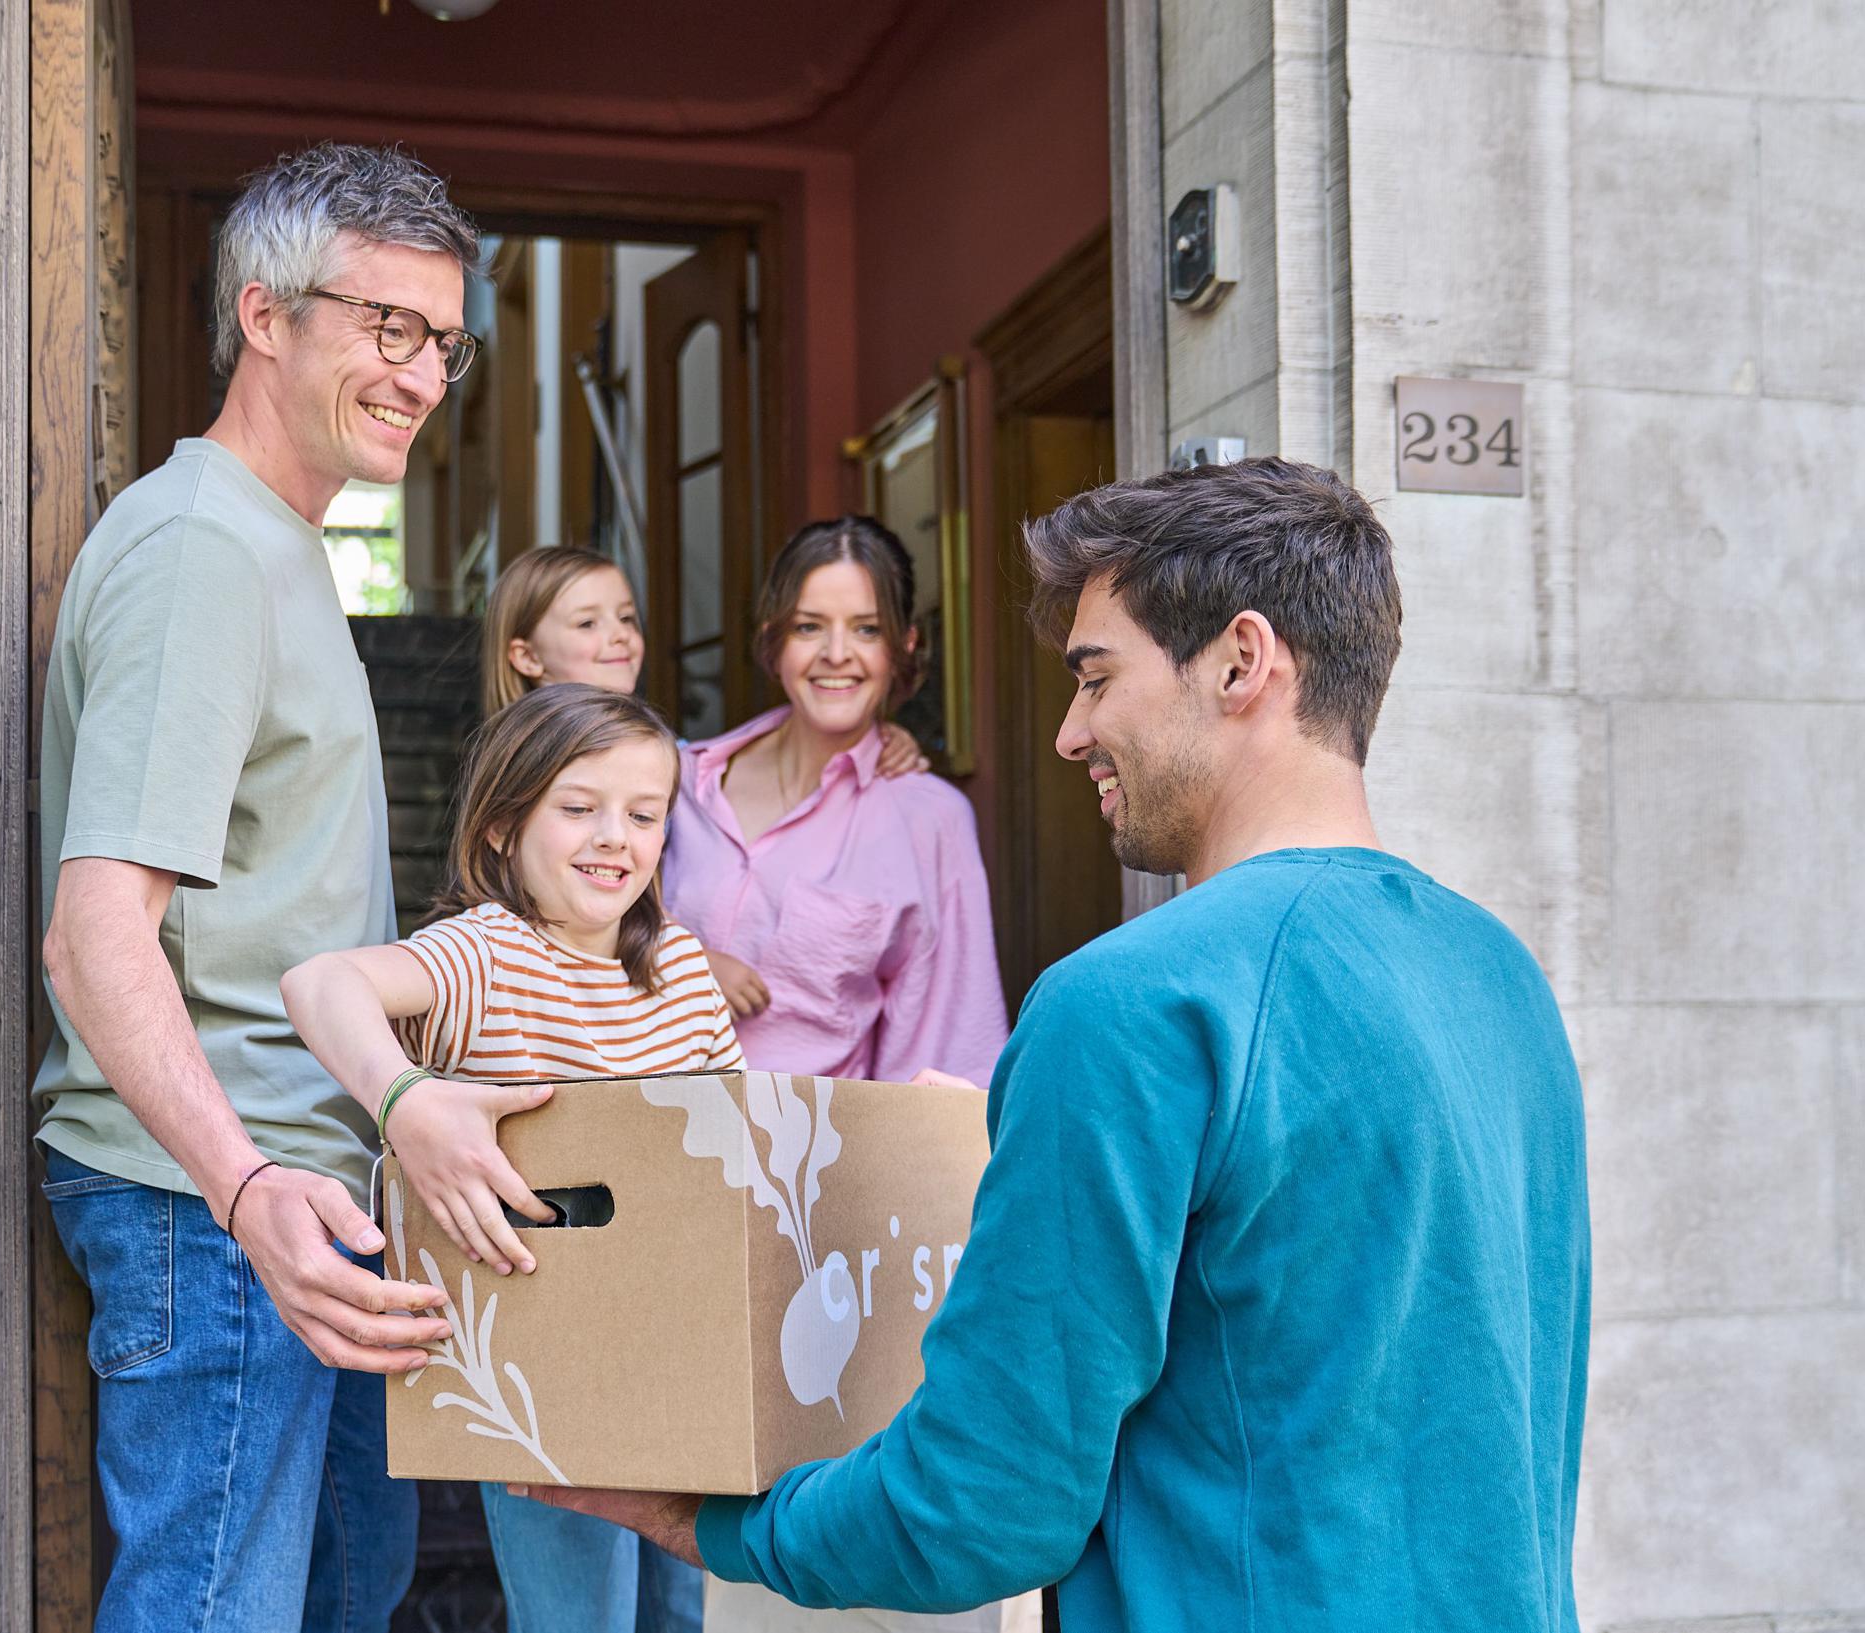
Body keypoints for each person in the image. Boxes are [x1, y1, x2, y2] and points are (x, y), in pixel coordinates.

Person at [523, 458, 1592, 1633]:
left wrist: (701, 1518)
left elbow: (983, 1504)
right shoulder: (1502, 977)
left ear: (1242, 662)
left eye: (1095, 677)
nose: (1069, 731)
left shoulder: (1130, 1003)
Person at [31, 142, 483, 1632]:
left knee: (351, 1600)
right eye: (387, 327)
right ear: (265, 316)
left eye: (445, 339)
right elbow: (95, 935)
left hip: (306, 1201)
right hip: (223, 1214)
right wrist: (248, 1193)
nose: (422, 374)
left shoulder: (282, 545)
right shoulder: (200, 551)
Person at [282, 683, 745, 1633]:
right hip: (541, 1373)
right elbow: (318, 981)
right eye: (578, 808)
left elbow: (745, 1147)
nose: (614, 835)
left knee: (680, 1615)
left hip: (678, 1357)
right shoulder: (483, 955)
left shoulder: (685, 970)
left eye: (644, 814)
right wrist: (403, 1096)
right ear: (501, 829)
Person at [660, 518, 1008, 1087]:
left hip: (812, 1162)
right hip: (643, 1134)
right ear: (775, 638)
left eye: (867, 630)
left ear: (905, 646)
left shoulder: (929, 817)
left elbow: (945, 1043)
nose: (837, 654)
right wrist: (680, 960)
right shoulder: (677, 784)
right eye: (809, 627)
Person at [479, 542, 933, 771]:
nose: (619, 637)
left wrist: (873, 737)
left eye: (627, 619)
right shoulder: (527, 762)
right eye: (587, 624)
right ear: (526, 657)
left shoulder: (659, 748)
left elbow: (719, 767)